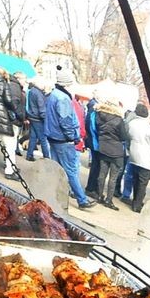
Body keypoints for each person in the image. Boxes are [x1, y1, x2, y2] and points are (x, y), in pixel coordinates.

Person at [45, 68, 95, 209]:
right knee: (71, 170)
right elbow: (65, 120)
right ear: (67, 84)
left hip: (54, 137)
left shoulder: (54, 95)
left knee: (56, 168)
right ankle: (82, 199)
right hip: (63, 140)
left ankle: (51, 195)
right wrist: (73, 137)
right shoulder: (63, 98)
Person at [92, 96, 127, 209]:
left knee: (102, 174)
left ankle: (99, 196)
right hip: (116, 151)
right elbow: (123, 136)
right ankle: (109, 200)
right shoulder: (118, 120)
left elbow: (96, 130)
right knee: (113, 177)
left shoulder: (98, 116)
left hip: (103, 148)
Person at [124, 103, 150, 213]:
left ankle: (135, 201)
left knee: (135, 180)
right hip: (146, 159)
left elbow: (128, 139)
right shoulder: (149, 128)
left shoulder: (131, 124)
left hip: (134, 156)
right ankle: (137, 205)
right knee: (142, 184)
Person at [25, 75, 49, 161]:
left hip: (32, 117)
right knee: (43, 139)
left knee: (33, 137)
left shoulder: (32, 91)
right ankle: (47, 157)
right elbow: (41, 108)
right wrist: (45, 119)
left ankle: (29, 155)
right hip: (38, 119)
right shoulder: (38, 93)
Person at [9, 71, 28, 156]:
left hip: (16, 117)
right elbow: (15, 104)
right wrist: (21, 116)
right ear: (19, 79)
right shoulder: (15, 88)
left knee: (14, 138)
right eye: (24, 79)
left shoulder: (19, 89)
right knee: (11, 141)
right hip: (15, 118)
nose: (25, 81)